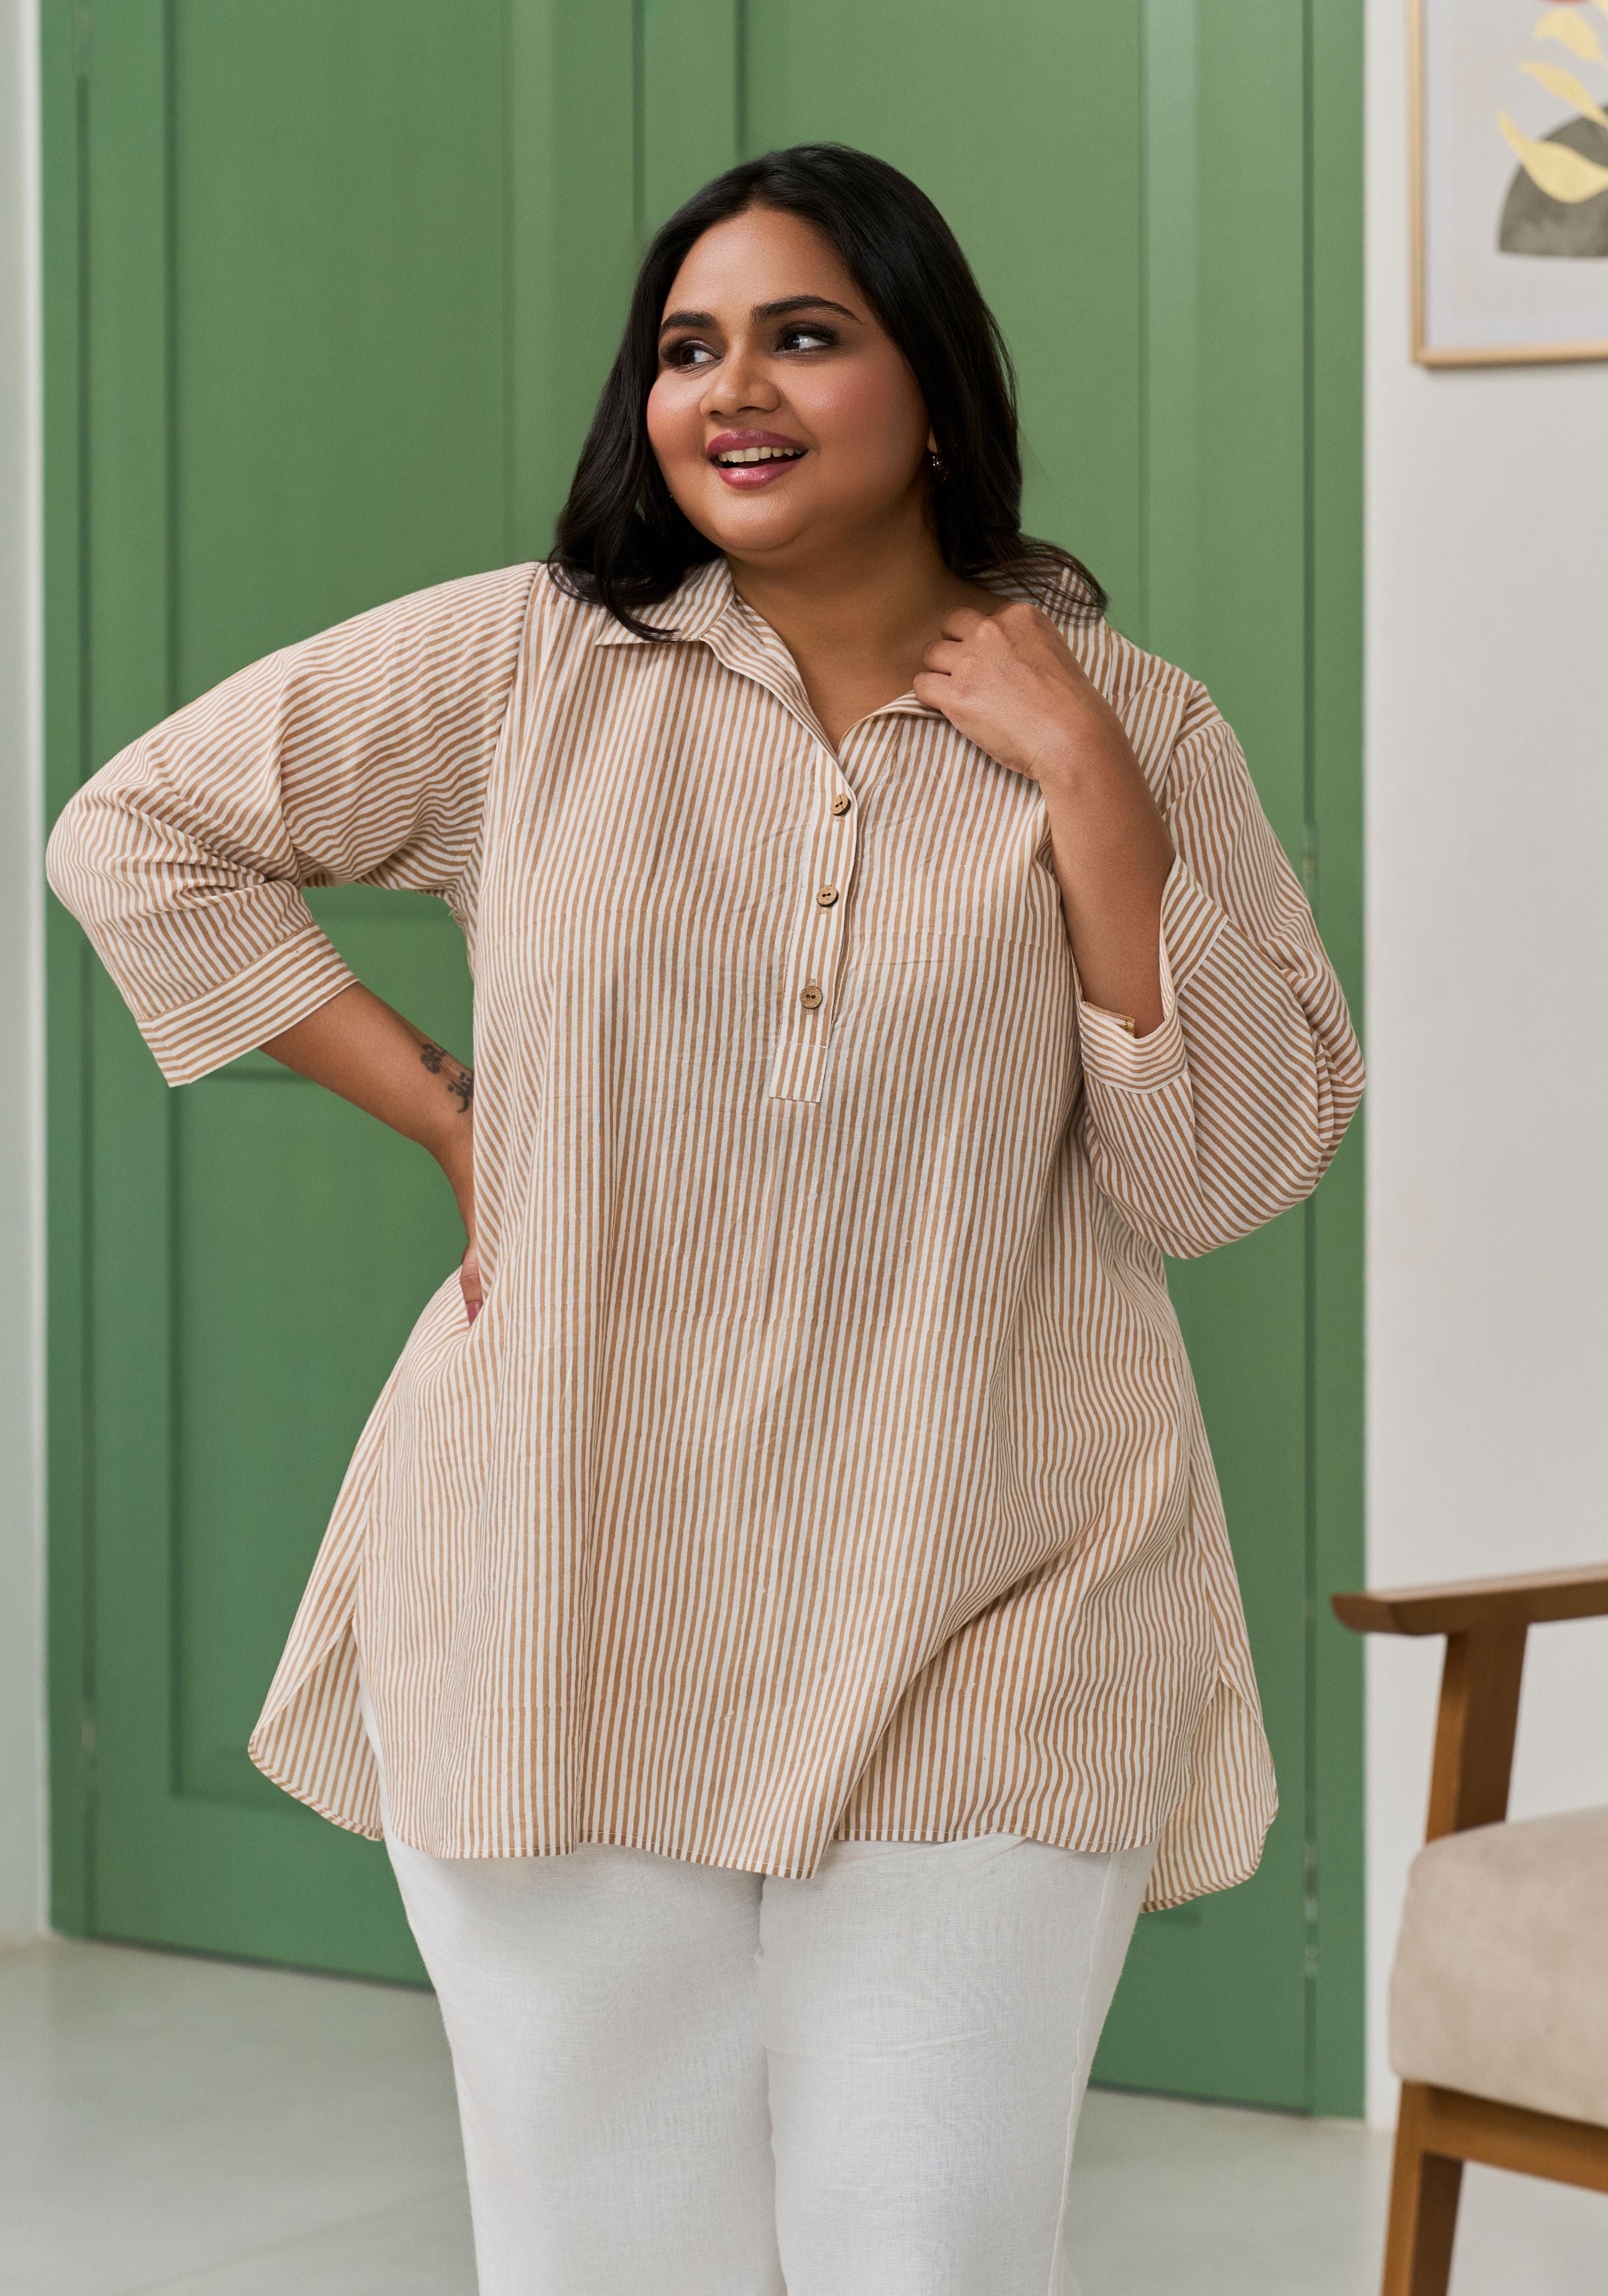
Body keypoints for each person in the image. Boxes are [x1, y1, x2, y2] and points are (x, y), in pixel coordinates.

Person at [49, 142, 1362, 2295]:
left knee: (930, 2258)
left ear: (929, 386)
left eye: (803, 334)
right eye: (687, 346)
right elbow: (137, 833)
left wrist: (1088, 786)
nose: (730, 389)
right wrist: (451, 1117)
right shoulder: (526, 664)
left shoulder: (1139, 722)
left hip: (1001, 1588)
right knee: (606, 2265)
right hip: (566, 1576)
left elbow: (1219, 1170)